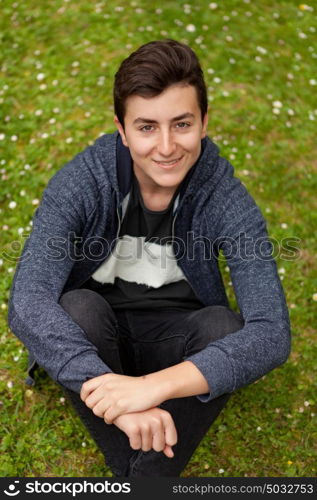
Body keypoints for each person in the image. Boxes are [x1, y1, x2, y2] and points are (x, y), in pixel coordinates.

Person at [7, 39, 291, 477]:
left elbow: (271, 332)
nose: (166, 147)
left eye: (181, 124)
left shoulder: (223, 194)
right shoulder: (84, 181)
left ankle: (138, 475)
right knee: (75, 308)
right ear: (121, 130)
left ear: (204, 122)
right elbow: (28, 301)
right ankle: (147, 475)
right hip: (97, 341)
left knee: (223, 326)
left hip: (179, 354)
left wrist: (151, 388)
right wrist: (121, 407)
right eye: (146, 127)